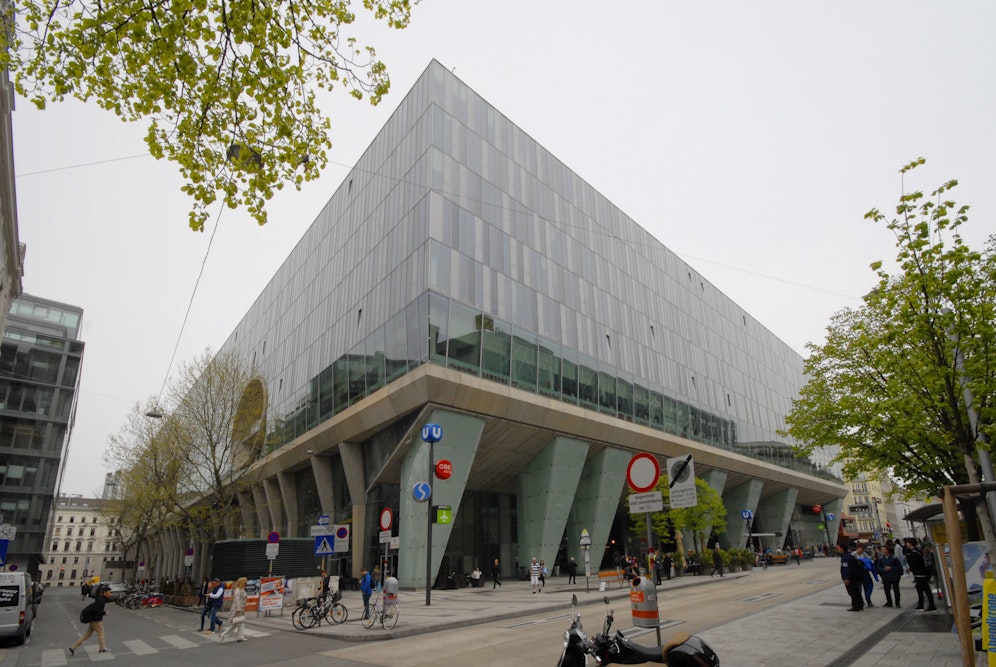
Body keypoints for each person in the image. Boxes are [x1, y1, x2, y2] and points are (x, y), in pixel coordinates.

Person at [69, 584, 112, 655]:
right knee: (101, 633)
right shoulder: (101, 600)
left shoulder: (100, 598)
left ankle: (73, 647)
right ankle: (102, 648)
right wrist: (104, 613)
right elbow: (97, 610)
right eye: (109, 592)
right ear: (105, 592)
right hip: (96, 620)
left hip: (92, 619)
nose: (110, 593)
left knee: (87, 635)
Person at [904, 537, 937, 611]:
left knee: (925, 589)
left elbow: (914, 564)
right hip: (922, 572)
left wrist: (912, 568)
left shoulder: (913, 553)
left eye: (907, 543)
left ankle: (929, 605)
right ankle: (921, 604)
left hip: (920, 573)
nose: (906, 544)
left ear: (909, 543)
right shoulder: (918, 551)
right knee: (921, 588)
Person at [217, 577, 247, 643]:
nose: (246, 583)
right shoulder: (238, 590)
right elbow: (237, 600)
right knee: (236, 623)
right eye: (245, 582)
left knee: (241, 622)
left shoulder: (242, 589)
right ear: (242, 583)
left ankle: (240, 637)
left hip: (241, 608)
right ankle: (223, 635)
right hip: (238, 609)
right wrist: (238, 608)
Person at [837, 543, 864, 611]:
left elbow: (847, 569)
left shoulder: (845, 557)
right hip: (854, 577)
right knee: (856, 592)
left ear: (842, 548)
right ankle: (860, 605)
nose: (837, 549)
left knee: (853, 592)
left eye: (838, 548)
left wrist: (847, 578)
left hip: (850, 578)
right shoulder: (849, 555)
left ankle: (856, 606)